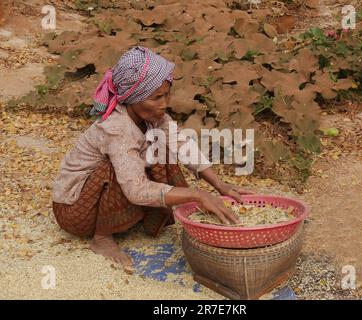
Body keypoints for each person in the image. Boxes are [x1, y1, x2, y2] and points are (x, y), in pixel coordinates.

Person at [52, 46, 254, 266]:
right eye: (156, 97)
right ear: (134, 97)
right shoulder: (116, 129)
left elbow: (182, 145)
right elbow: (136, 190)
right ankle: (101, 237)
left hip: (102, 199)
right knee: (115, 167)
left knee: (163, 149)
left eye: (167, 94)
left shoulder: (154, 117)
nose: (164, 103)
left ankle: (137, 218)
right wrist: (197, 195)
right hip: (75, 211)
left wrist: (219, 185)